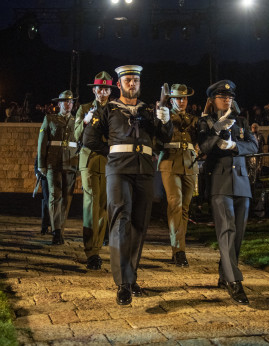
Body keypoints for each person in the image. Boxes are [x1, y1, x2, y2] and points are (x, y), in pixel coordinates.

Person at [83, 65, 173, 305]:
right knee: (121, 219)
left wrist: (165, 117)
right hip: (119, 170)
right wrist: (112, 153)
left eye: (136, 80)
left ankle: (131, 276)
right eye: (128, 80)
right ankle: (123, 283)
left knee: (139, 224)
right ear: (120, 84)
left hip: (143, 170)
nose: (132, 84)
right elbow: (89, 139)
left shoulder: (147, 110)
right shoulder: (108, 109)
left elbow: (165, 137)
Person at [198, 80, 258, 305]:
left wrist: (235, 146)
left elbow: (253, 146)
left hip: (242, 182)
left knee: (238, 234)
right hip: (220, 182)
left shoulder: (241, 121)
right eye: (222, 97)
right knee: (227, 230)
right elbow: (203, 147)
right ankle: (235, 282)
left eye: (230, 96)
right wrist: (217, 131)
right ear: (213, 100)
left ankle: (225, 274)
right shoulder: (206, 122)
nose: (227, 99)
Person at [74, 71, 116, 270]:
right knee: (91, 203)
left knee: (103, 205)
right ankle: (91, 251)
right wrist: (85, 121)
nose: (103, 92)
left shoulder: (115, 109)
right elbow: (76, 135)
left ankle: (97, 247)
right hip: (90, 159)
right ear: (94, 90)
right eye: (100, 88)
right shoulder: (83, 108)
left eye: (107, 88)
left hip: (107, 161)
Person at [158, 83, 199, 267]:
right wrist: (162, 115)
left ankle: (179, 246)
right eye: (178, 98)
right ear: (172, 99)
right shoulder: (165, 116)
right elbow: (159, 136)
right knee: (175, 203)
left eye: (184, 98)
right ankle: (179, 250)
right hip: (170, 161)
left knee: (185, 208)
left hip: (189, 163)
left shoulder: (193, 119)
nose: (181, 101)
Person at [37, 90, 78, 245]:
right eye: (65, 102)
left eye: (71, 102)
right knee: (55, 196)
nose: (68, 104)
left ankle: (61, 227)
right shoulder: (50, 119)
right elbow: (42, 143)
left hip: (71, 163)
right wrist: (41, 164)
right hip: (53, 163)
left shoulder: (77, 121)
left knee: (67, 198)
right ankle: (56, 231)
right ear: (59, 104)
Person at [34, 156, 51, 234]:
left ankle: (52, 225)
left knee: (50, 200)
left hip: (53, 173)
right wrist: (38, 173)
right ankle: (45, 226)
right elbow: (38, 158)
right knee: (46, 199)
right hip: (45, 176)